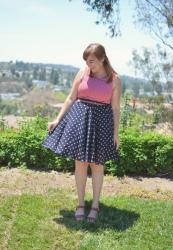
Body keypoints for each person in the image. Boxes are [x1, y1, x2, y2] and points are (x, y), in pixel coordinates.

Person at [42, 43, 121, 222]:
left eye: (92, 61)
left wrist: (116, 133)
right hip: (80, 120)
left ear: (102, 59)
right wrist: (57, 119)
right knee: (80, 163)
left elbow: (115, 108)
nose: (88, 64)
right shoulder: (82, 72)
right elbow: (71, 98)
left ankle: (95, 206)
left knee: (97, 165)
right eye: (86, 60)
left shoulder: (115, 80)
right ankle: (80, 204)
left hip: (102, 122)